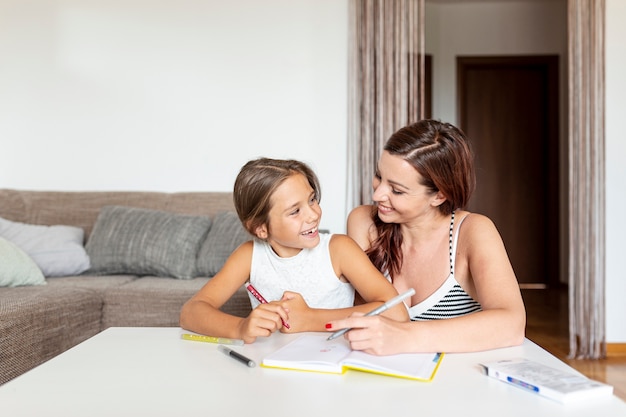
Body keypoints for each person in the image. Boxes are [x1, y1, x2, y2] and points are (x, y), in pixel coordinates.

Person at [325, 119, 526, 354]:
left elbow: (511, 325)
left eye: (397, 190)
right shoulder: (364, 222)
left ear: (439, 195)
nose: (378, 194)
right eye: (379, 176)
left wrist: (404, 338)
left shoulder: (473, 231)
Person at [180, 157, 408, 343]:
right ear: (260, 228)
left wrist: (311, 319)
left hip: (333, 359)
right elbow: (191, 312)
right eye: (295, 211)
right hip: (272, 364)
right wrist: (240, 327)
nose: (313, 214)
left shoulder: (339, 249)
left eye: (312, 200)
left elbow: (397, 312)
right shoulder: (249, 256)